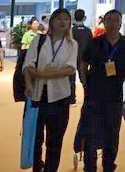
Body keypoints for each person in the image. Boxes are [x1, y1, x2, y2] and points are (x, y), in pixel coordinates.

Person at [79, 9, 125, 172]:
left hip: (115, 95)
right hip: (94, 94)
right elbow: (83, 62)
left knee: (112, 133)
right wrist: (84, 81)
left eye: (116, 20)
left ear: (120, 23)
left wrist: (123, 79)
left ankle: (109, 165)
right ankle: (89, 166)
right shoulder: (95, 42)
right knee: (91, 132)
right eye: (109, 20)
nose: (112, 23)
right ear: (104, 23)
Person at [23, 9, 78, 172]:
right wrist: (34, 79)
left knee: (55, 140)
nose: (63, 22)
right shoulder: (39, 40)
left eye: (66, 19)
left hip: (60, 97)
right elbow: (28, 65)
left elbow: (71, 69)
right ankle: (37, 167)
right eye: (59, 18)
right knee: (36, 138)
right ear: (52, 21)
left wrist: (43, 74)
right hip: (37, 96)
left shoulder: (72, 44)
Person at [72, 9, 93, 105]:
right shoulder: (88, 31)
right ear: (84, 18)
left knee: (71, 79)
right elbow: (91, 45)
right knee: (84, 79)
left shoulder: (71, 31)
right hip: (84, 58)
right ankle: (87, 98)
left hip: (72, 58)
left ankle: (72, 99)